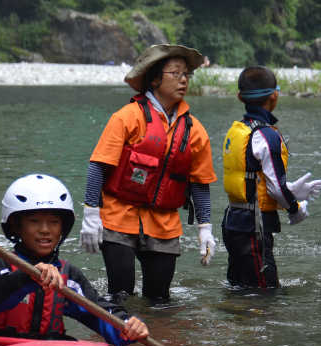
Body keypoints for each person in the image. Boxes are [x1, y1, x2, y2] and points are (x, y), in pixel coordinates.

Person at [79, 44, 218, 301]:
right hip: (118, 218)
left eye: (187, 74)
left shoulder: (194, 130)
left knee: (159, 300)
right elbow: (98, 164)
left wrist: (205, 228)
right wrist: (90, 215)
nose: (184, 80)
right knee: (121, 296)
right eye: (176, 73)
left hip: (164, 225)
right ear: (154, 78)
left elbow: (200, 183)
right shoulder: (127, 117)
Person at [0, 174, 149, 346]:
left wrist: (128, 324)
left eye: (54, 222)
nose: (45, 230)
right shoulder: (2, 266)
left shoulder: (68, 275)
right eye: (34, 221)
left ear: (63, 227)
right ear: (16, 226)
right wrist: (27, 276)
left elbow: (100, 313)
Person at [221, 65, 321, 289]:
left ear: (240, 97)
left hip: (232, 221)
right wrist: (295, 208)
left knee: (238, 288)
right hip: (254, 227)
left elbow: (254, 180)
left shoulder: (239, 130)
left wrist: (291, 189)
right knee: (265, 295)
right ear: (274, 95)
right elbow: (276, 188)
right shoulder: (267, 135)